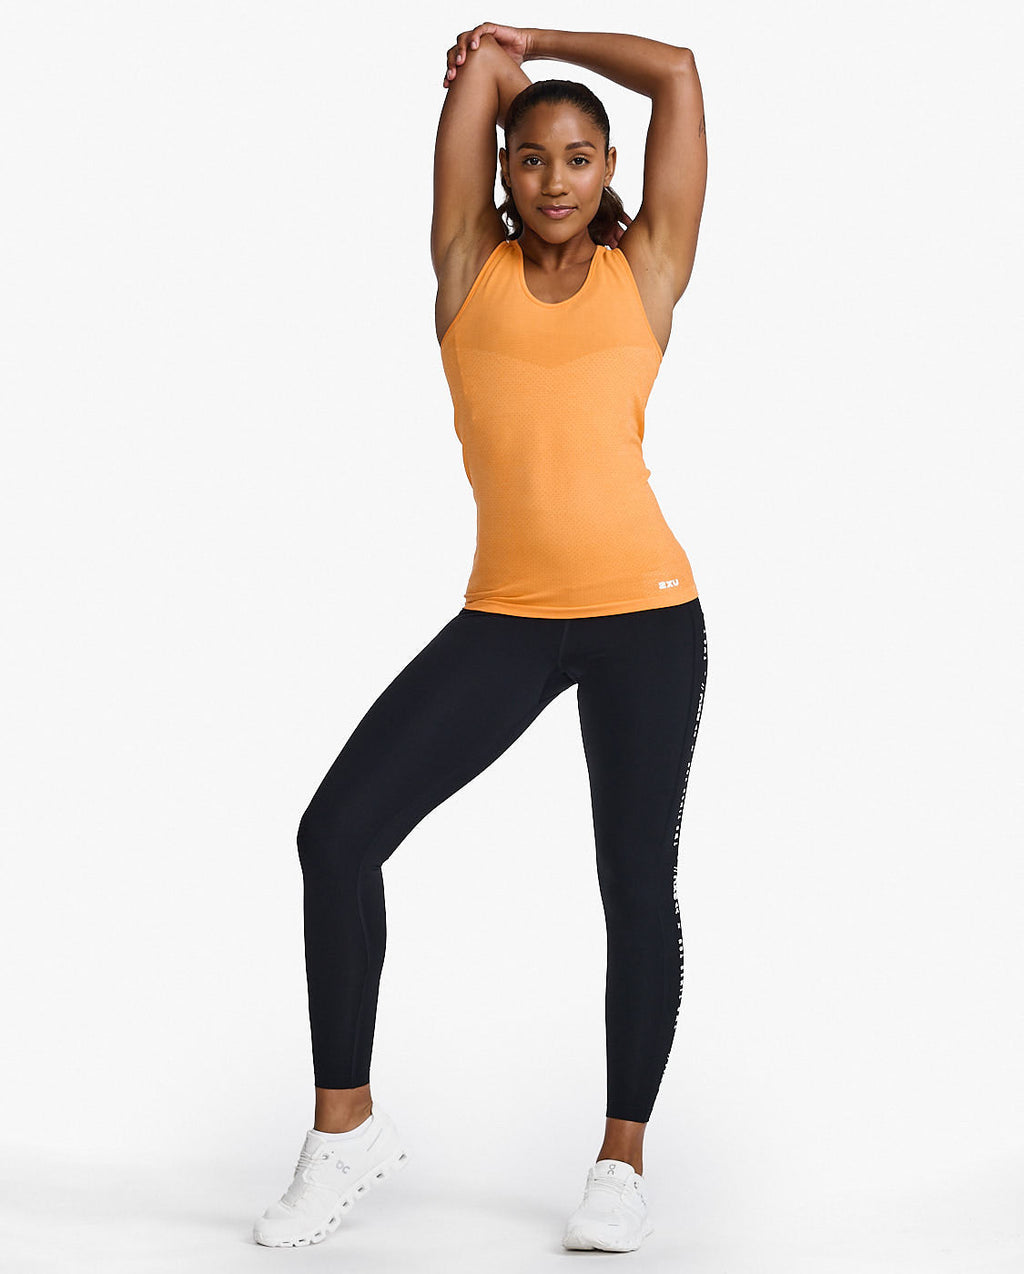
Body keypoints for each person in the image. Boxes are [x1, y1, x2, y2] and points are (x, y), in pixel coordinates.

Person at [254, 22, 709, 1255]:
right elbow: (487, 86)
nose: (555, 179)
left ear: (610, 168)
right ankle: (343, 1128)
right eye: (531, 158)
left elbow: (675, 72)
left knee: (634, 881)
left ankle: (619, 1159)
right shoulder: (467, 265)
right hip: (508, 616)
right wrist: (497, 68)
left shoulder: (648, 269)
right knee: (336, 835)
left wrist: (534, 41)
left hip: (647, 619)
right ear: (501, 170)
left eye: (579, 158)